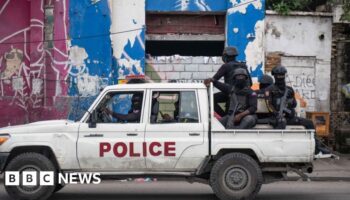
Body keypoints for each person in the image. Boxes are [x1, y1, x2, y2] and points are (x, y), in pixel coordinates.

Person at [266, 65, 330, 154]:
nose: (280, 77)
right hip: (275, 117)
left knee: (309, 122)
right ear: (274, 76)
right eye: (278, 75)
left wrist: (290, 102)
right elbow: (268, 105)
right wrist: (276, 113)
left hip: (288, 117)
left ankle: (317, 147)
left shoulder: (289, 89)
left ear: (284, 75)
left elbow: (294, 104)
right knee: (281, 122)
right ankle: (275, 151)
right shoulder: (270, 89)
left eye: (282, 75)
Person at [204, 46, 252, 117]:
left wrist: (209, 81)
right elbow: (250, 83)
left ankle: (224, 116)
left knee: (209, 99)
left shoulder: (226, 66)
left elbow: (214, 79)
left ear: (225, 56)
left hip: (230, 92)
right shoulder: (243, 66)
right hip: (244, 94)